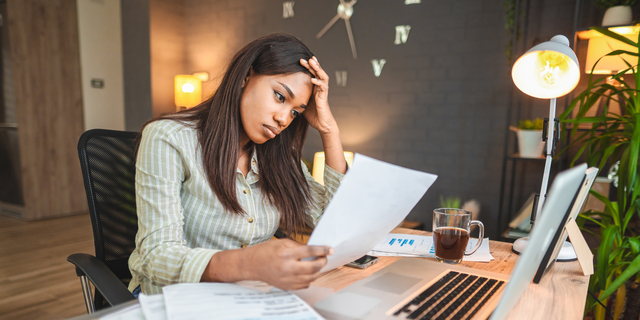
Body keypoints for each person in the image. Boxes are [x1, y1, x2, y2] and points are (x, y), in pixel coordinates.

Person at [128, 33, 348, 295]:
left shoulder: (280, 156)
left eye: (295, 112)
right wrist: (248, 264)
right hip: (175, 298)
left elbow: (333, 223)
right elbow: (157, 257)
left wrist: (329, 129)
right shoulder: (169, 138)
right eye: (280, 96)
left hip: (248, 296)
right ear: (246, 77)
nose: (283, 119)